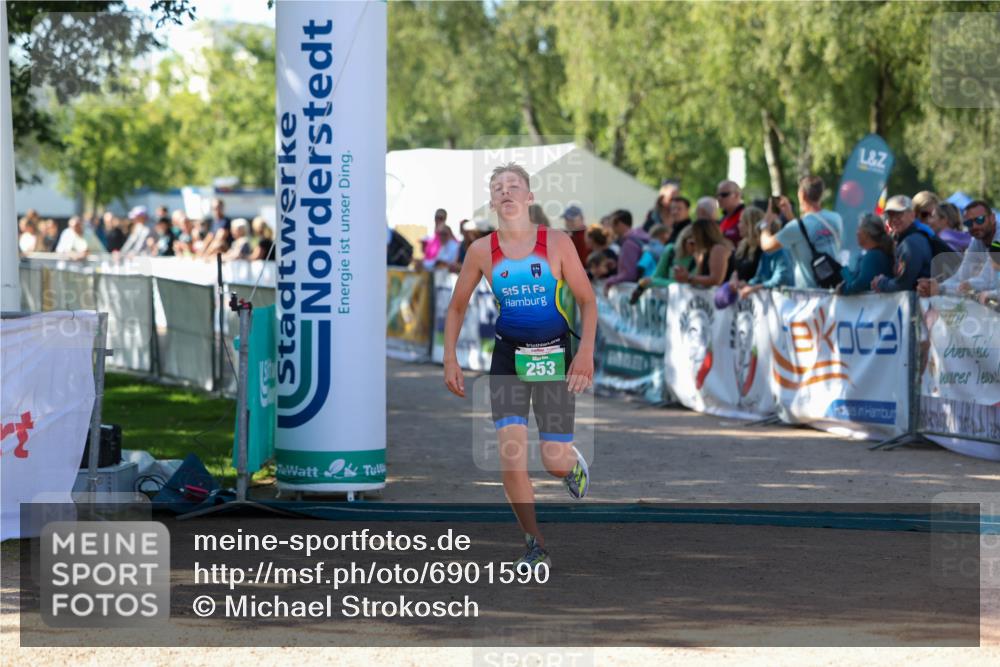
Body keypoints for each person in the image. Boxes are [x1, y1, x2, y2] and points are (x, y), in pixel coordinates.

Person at [443, 162, 596, 570]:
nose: (506, 192)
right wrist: (449, 358)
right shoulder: (481, 251)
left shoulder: (557, 243)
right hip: (509, 357)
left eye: (514, 186)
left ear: (529, 198)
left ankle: (568, 464)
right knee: (511, 454)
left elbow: (588, 301)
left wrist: (585, 353)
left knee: (551, 459)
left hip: (553, 355)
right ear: (492, 200)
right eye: (498, 187)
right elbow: (457, 306)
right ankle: (535, 544)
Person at [760, 176, 843, 288]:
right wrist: (790, 216)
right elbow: (806, 233)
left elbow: (767, 246)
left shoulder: (795, 227)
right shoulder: (836, 218)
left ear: (802, 195)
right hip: (833, 290)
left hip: (810, 296)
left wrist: (765, 223)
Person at [918, 198, 999, 297]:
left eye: (980, 219)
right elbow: (961, 276)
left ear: (993, 218)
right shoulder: (977, 240)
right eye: (968, 223)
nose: (974, 226)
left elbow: (987, 280)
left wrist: (942, 289)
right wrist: (937, 287)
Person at [872, 195, 933, 292]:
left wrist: (881, 283)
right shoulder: (904, 240)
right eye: (890, 215)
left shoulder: (911, 243)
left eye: (899, 214)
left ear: (912, 216)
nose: (894, 219)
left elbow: (902, 285)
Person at [737, 217, 794, 298]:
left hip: (785, 298)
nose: (757, 239)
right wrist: (748, 284)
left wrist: (754, 288)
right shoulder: (765, 254)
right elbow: (759, 276)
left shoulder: (782, 252)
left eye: (758, 236)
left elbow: (781, 280)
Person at [838, 214, 894, 295]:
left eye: (859, 229)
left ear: (867, 233)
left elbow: (862, 283)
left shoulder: (873, 256)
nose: (856, 233)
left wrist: (843, 290)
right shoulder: (879, 253)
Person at [673, 218, 734, 287]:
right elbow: (699, 279)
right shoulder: (706, 252)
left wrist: (689, 277)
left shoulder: (718, 248)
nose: (694, 237)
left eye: (695, 233)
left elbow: (716, 279)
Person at [637, 224, 697, 289]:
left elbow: (687, 285)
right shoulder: (671, 251)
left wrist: (656, 282)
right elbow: (656, 276)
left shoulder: (700, 259)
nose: (696, 247)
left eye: (700, 243)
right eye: (692, 243)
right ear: (683, 241)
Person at [603, 209, 650, 291]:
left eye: (613, 224)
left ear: (620, 224)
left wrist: (610, 281)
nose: (611, 228)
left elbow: (629, 274)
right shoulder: (638, 238)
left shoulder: (629, 243)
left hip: (634, 290)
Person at [732, 206, 766, 281]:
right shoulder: (742, 246)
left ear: (751, 224)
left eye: (741, 222)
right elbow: (736, 272)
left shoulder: (763, 248)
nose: (738, 225)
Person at [716, 180, 745, 245]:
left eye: (724, 195)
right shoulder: (722, 219)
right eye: (718, 195)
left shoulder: (746, 216)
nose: (719, 198)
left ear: (737, 195)